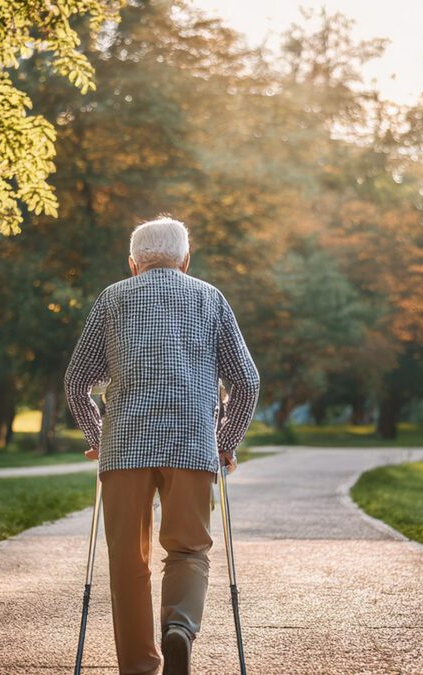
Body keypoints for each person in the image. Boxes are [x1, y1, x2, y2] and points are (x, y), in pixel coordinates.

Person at [64, 216, 260, 675]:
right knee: (189, 550)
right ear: (186, 260)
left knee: (128, 562)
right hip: (193, 446)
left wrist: (99, 438)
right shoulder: (209, 297)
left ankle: (138, 667)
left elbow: (77, 383)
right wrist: (225, 443)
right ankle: (180, 627)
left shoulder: (112, 298)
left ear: (132, 264)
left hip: (124, 450)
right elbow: (246, 381)